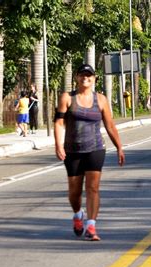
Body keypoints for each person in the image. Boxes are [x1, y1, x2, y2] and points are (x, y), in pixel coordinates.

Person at [54, 64, 125, 241]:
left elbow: (109, 125)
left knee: (93, 188)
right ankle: (78, 215)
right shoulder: (67, 98)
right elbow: (59, 123)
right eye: (82, 75)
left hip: (95, 148)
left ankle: (91, 225)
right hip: (73, 150)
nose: (85, 78)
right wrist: (58, 145)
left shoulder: (100, 100)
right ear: (76, 78)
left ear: (94, 79)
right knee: (74, 191)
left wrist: (119, 147)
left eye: (89, 75)